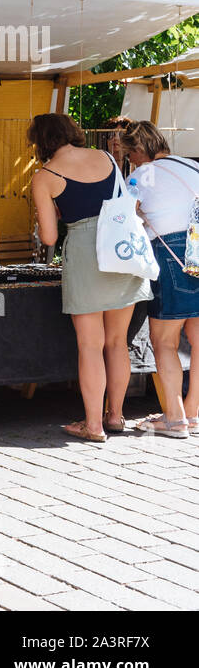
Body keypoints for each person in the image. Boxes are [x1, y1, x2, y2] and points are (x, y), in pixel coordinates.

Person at [28, 113, 152, 442]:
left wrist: (52, 216)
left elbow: (50, 238)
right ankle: (116, 416)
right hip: (121, 250)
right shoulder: (107, 157)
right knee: (117, 343)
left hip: (85, 253)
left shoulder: (44, 176)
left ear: (40, 141)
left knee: (90, 346)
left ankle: (93, 424)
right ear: (71, 132)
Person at [123, 120, 197, 438]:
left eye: (130, 156)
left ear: (138, 151)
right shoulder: (191, 165)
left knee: (164, 342)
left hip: (173, 252)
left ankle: (175, 418)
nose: (131, 162)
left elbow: (124, 217)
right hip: (198, 245)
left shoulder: (141, 175)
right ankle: (192, 412)